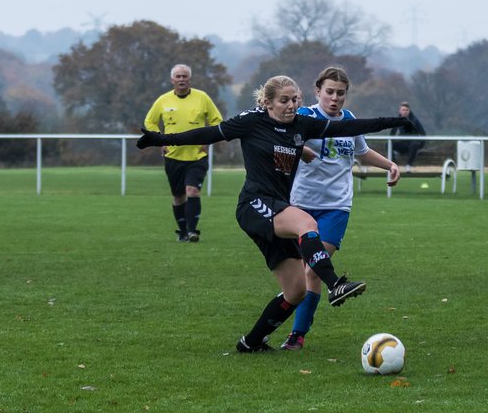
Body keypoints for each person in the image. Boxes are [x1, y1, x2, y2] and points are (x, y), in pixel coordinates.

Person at [137, 75, 410, 352]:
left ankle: (251, 342)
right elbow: (208, 133)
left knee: (296, 290)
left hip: (277, 208)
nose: (291, 106)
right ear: (267, 103)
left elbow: (351, 126)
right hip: (254, 204)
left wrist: (394, 121)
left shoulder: (302, 125)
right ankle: (335, 284)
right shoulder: (251, 121)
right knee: (306, 222)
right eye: (284, 100)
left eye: (294, 100)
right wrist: (162, 138)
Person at [281, 67, 401, 351]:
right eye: (330, 92)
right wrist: (300, 150)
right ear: (317, 91)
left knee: (312, 270)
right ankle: (300, 317)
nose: (335, 98)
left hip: (336, 207)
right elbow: (280, 140)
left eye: (340, 93)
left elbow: (362, 152)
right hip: (300, 205)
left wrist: (390, 164)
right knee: (301, 274)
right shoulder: (305, 118)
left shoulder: (349, 121)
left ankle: (297, 335)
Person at [143, 64, 223, 242]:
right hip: (173, 157)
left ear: (189, 79)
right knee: (178, 196)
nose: (181, 79)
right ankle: (183, 231)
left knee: (192, 191)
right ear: (172, 80)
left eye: (184, 76)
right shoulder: (163, 100)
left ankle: (193, 231)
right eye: (178, 76)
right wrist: (159, 140)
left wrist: (207, 140)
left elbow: (217, 120)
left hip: (197, 157)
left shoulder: (202, 98)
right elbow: (150, 122)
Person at [394, 101, 427, 170]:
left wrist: (420, 146)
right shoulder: (397, 120)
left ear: (409, 111)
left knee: (415, 144)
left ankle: (408, 165)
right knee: (388, 144)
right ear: (400, 111)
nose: (405, 112)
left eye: (407, 110)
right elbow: (392, 133)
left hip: (413, 144)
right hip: (403, 144)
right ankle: (393, 165)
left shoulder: (414, 120)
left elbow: (423, 133)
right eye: (403, 110)